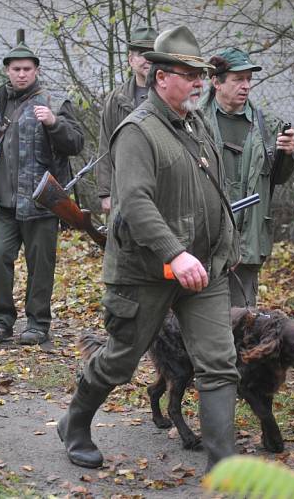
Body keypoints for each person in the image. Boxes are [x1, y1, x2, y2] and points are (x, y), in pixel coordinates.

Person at [57, 26, 240, 472]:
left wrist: (222, 246)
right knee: (120, 360)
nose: (200, 82)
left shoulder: (195, 123)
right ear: (161, 78)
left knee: (218, 363)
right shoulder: (137, 131)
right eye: (190, 74)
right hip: (147, 270)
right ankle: (75, 425)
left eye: (202, 74)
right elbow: (135, 202)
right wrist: (174, 253)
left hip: (203, 270)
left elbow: (211, 190)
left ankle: (226, 465)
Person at [0, 43, 84, 345]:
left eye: (27, 69)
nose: (21, 74)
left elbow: (75, 143)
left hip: (42, 202)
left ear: (36, 70)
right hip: (4, 203)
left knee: (41, 265)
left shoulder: (54, 102)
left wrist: (54, 124)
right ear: (8, 71)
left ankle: (37, 324)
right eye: (16, 69)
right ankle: (0, 321)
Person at [199, 47, 294, 307]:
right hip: (204, 238)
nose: (246, 86)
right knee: (198, 318)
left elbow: (278, 179)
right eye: (238, 79)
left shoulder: (268, 125)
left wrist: (287, 154)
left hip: (248, 237)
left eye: (248, 80)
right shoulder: (194, 120)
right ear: (216, 82)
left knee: (242, 319)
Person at [96, 26, 159, 214]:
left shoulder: (171, 96)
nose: (148, 59)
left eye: (153, 53)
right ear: (131, 60)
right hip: (123, 189)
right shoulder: (116, 99)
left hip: (162, 185)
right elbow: (105, 145)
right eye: (142, 53)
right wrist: (105, 192)